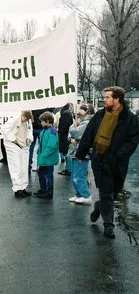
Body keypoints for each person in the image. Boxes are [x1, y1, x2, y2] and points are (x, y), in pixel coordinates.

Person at [76, 86, 139, 239]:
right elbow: (88, 135)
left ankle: (98, 207)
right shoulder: (99, 115)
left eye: (108, 97)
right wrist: (81, 152)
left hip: (118, 163)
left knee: (114, 192)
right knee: (105, 192)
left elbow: (132, 142)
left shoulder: (130, 119)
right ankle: (108, 225)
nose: (105, 100)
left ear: (117, 99)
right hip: (99, 160)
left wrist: (117, 156)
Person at [2, 111, 33, 198]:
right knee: (16, 167)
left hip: (24, 145)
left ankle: (23, 187)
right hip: (13, 145)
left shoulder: (28, 120)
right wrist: (13, 139)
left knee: (24, 167)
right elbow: (4, 129)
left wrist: (29, 138)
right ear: (22, 115)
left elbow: (30, 130)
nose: (25, 120)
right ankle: (17, 189)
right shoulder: (15, 118)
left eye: (27, 119)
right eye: (25, 118)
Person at [68, 104, 95, 204]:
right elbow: (71, 136)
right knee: (75, 174)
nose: (78, 111)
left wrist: (73, 125)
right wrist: (72, 138)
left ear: (87, 111)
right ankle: (79, 194)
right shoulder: (83, 122)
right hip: (76, 150)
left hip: (82, 151)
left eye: (81, 109)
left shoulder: (86, 122)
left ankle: (85, 195)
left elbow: (74, 132)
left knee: (79, 174)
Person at [33, 112, 59, 199]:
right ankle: (43, 189)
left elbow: (52, 146)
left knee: (48, 176)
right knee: (41, 174)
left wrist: (44, 155)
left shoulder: (52, 131)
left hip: (48, 159)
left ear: (48, 121)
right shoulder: (44, 130)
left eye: (42, 122)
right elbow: (41, 144)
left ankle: (48, 192)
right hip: (44, 158)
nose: (41, 123)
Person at [57, 103, 74, 175]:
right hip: (65, 136)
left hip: (64, 136)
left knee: (67, 153)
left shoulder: (65, 113)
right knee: (66, 153)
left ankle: (69, 169)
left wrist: (60, 133)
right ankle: (67, 168)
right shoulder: (66, 112)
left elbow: (65, 126)